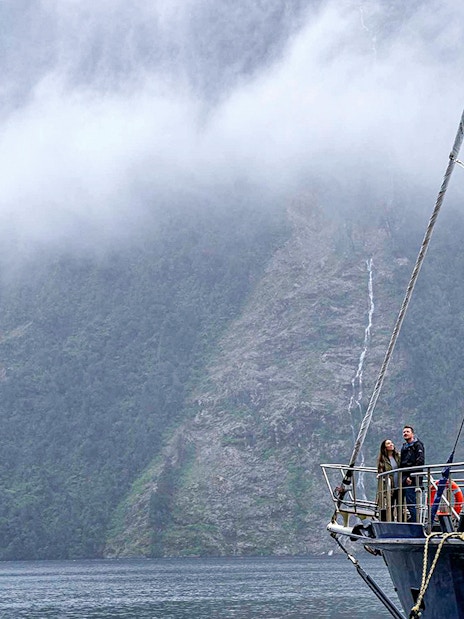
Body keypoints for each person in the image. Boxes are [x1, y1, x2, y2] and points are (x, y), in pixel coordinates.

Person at [400, 425, 425, 522]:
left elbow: (420, 461)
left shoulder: (418, 445)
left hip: (413, 479)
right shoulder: (404, 447)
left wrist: (411, 476)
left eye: (407, 432)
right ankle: (412, 520)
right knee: (407, 501)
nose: (405, 433)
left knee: (411, 502)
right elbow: (402, 463)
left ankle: (415, 522)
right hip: (404, 478)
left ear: (412, 433)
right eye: (404, 432)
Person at [377, 439, 400, 521]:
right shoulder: (382, 459)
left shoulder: (397, 456)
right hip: (389, 486)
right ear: (385, 447)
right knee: (389, 505)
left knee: (399, 505)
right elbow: (380, 473)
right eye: (388, 443)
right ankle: (389, 521)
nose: (391, 444)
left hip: (399, 484)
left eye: (391, 443)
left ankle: (400, 522)